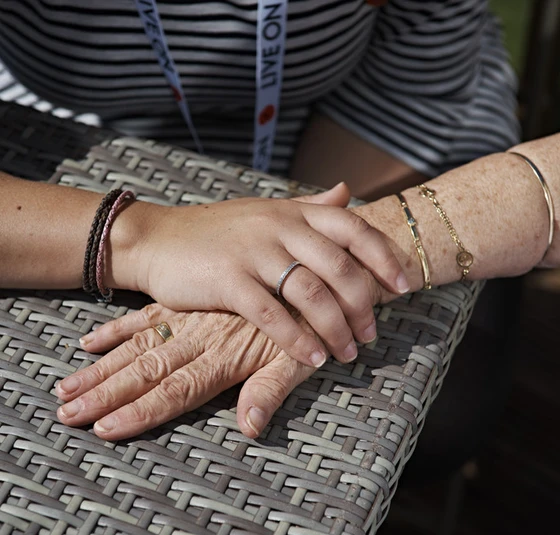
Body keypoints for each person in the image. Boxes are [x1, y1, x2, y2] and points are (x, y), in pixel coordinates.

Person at [0, 1, 523, 435]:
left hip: (376, 133)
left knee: (443, 418)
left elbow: (412, 78)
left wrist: (301, 252)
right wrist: (140, 238)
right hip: (75, 146)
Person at [52, 131, 560, 441]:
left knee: (445, 413)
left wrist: (341, 251)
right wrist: (144, 238)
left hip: (408, 135)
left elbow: (426, 63)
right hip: (75, 164)